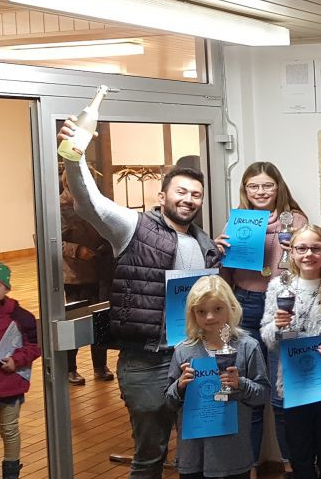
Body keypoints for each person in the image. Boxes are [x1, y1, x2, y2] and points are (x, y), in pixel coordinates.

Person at [59, 120, 221, 479]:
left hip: (194, 359)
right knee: (149, 457)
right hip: (147, 361)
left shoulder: (204, 242)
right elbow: (89, 203)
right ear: (162, 197)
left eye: (196, 194)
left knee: (198, 453)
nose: (188, 199)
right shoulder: (132, 227)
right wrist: (75, 155)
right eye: (181, 191)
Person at [214, 162, 307, 470]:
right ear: (245, 190)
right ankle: (248, 467)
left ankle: (292, 466)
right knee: (247, 392)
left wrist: (295, 248)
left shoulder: (296, 220)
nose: (261, 191)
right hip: (243, 305)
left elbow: (309, 265)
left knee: (282, 393)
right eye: (253, 186)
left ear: (278, 187)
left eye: (267, 185)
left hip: (282, 309)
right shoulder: (237, 222)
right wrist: (218, 252)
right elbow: (224, 274)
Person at [260, 226, 321, 479]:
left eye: (316, 248)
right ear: (291, 252)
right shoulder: (278, 286)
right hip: (295, 383)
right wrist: (278, 327)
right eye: (301, 248)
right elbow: (268, 338)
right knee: (300, 455)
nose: (308, 254)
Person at [166, 275, 269, 479]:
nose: (210, 317)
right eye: (201, 311)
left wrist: (240, 384)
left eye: (218, 309)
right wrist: (180, 386)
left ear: (231, 307)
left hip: (233, 455)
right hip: (194, 454)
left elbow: (263, 395)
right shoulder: (183, 351)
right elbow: (169, 401)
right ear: (192, 313)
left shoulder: (248, 347)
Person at [0, 261, 41, 479]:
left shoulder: (21, 317)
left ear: (6, 288)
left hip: (10, 382)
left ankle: (11, 472)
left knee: (9, 428)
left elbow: (34, 345)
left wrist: (16, 361)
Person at [60, 167, 115, 385]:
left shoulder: (97, 204)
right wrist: (78, 251)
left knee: (100, 320)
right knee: (74, 322)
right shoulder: (57, 208)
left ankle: (100, 365)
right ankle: (70, 368)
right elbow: (49, 242)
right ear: (67, 182)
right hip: (74, 276)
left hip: (100, 273)